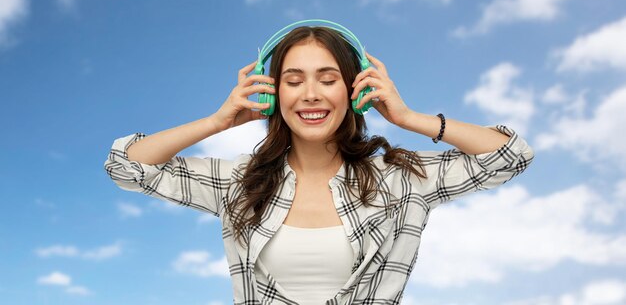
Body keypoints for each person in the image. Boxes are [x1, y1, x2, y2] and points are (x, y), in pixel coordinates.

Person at [104, 24, 534, 305]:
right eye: (293, 82)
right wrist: (216, 122)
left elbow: (509, 155)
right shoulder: (238, 182)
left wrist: (409, 118)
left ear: (355, 90)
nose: (310, 94)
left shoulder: (403, 180)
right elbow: (126, 165)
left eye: (328, 80)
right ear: (274, 95)